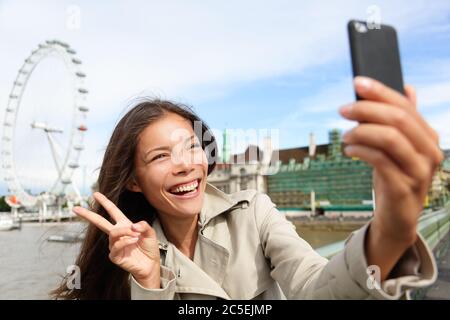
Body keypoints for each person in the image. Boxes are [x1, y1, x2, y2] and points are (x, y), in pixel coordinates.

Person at [52, 76, 443, 300]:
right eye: (160, 157)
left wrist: (390, 230)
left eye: (193, 147)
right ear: (133, 181)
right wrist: (149, 282)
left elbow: (314, 287)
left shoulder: (254, 211)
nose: (187, 163)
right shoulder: (125, 255)